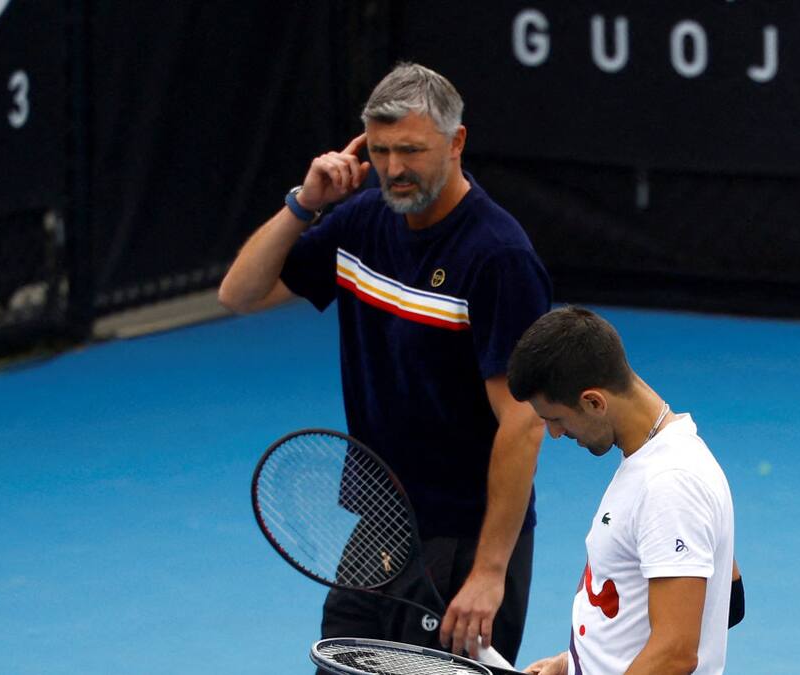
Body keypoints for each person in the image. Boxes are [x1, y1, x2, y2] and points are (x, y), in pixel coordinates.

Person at [218, 63, 551, 665]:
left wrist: (487, 573)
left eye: (412, 150)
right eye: (380, 149)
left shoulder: (498, 258)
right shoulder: (361, 222)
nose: (395, 168)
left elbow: (523, 423)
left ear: (456, 143)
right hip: (379, 528)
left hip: (461, 541)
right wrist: (304, 204)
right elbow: (239, 294)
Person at [508, 307, 737, 675]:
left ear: (594, 402)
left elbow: (675, 652)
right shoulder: (653, 459)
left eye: (556, 419)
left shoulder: (670, 483)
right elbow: (729, 596)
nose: (553, 434)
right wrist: (576, 662)